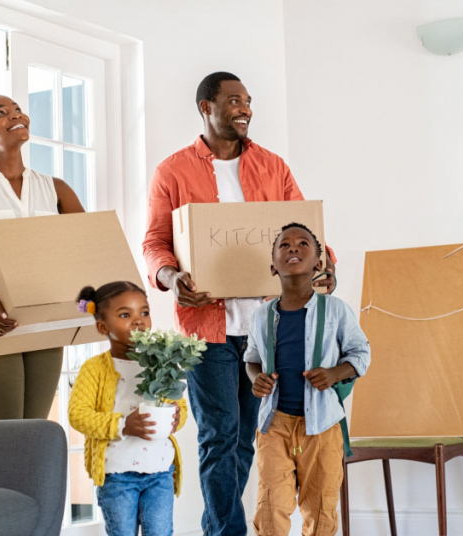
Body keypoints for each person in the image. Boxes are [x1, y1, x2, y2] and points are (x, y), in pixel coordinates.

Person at [143, 71, 337, 535]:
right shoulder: (172, 171)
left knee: (250, 436)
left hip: (268, 329)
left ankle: (221, 529)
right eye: (233, 101)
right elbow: (155, 242)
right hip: (206, 328)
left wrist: (327, 261)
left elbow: (305, 232)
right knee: (218, 435)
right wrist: (171, 277)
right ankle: (226, 532)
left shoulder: (273, 166)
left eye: (247, 101)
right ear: (205, 108)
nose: (244, 108)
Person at [0, 93, 86, 420]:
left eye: (18, 110)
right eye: (1, 112)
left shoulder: (56, 188)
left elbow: (85, 249)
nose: (16, 115)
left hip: (45, 322)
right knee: (3, 437)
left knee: (34, 434)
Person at [244, 223, 370, 536]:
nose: (293, 249)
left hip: (323, 427)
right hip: (275, 425)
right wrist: (256, 378)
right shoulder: (261, 315)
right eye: (284, 245)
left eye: (302, 244)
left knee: (321, 508)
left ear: (319, 262)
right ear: (273, 265)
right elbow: (252, 358)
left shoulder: (336, 310)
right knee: (271, 506)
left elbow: (360, 354)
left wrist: (334, 374)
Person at [68, 281, 187, 536]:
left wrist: (177, 417)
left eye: (144, 312)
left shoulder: (162, 361)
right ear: (103, 327)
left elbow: (179, 403)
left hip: (160, 471)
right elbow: (79, 415)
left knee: (161, 532)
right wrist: (123, 425)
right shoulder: (95, 369)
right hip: (117, 474)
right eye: (125, 315)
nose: (138, 321)